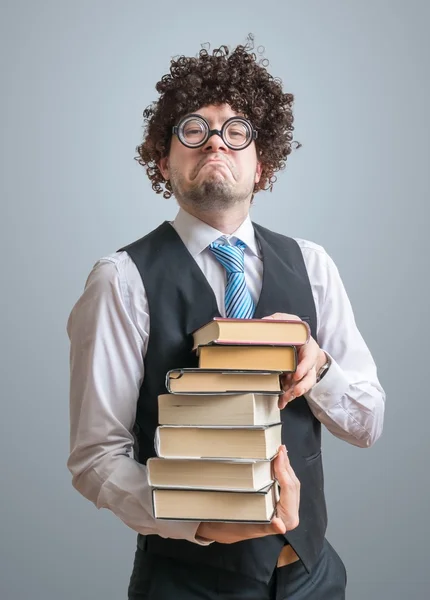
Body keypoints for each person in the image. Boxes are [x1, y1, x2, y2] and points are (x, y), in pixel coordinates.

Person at [67, 39, 385, 600]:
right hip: (186, 583)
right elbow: (96, 458)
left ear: (261, 164)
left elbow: (367, 424)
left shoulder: (313, 265)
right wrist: (200, 525)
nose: (215, 140)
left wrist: (323, 368)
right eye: (194, 129)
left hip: (313, 577)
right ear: (163, 160)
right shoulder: (120, 280)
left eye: (236, 130)